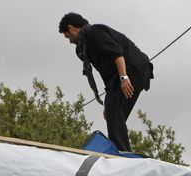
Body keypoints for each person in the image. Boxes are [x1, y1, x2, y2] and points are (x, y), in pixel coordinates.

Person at [58, 12, 153, 152]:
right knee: (112, 113)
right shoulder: (85, 46)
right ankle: (120, 149)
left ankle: (121, 153)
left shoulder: (94, 33)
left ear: (72, 28)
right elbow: (106, 73)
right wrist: (109, 100)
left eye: (68, 36)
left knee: (114, 112)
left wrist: (124, 78)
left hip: (132, 67)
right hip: (119, 74)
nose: (70, 41)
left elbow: (117, 54)